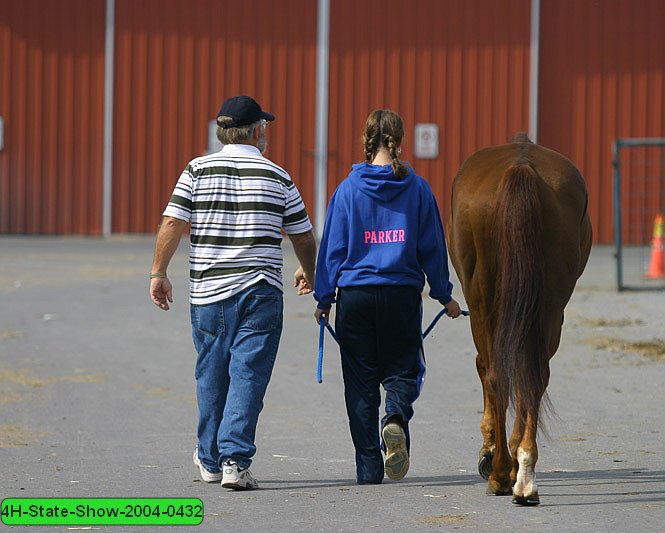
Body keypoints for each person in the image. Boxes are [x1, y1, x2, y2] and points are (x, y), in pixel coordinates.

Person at [149, 95, 317, 490]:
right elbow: (303, 236)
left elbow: (173, 222)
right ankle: (234, 461)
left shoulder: (196, 170)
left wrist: (158, 271)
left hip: (208, 292)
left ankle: (208, 459)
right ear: (257, 130)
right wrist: (313, 275)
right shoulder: (278, 176)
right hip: (260, 291)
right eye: (265, 128)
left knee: (210, 372)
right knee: (248, 375)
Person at [313, 109, 462, 485]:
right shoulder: (418, 189)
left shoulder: (347, 190)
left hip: (356, 298)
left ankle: (368, 469)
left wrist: (324, 298)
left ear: (367, 140)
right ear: (400, 140)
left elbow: (332, 247)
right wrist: (444, 295)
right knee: (403, 370)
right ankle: (394, 417)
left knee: (360, 385)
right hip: (400, 296)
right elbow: (433, 248)